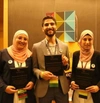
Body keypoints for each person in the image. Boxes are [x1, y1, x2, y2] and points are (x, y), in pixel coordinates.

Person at [32, 16, 70, 103]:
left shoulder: (65, 46)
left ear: (56, 27)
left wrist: (65, 64)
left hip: (61, 88)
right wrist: (41, 74)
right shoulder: (36, 47)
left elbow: (68, 67)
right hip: (44, 88)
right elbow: (34, 68)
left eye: (52, 24)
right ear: (42, 29)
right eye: (46, 25)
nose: (49, 26)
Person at [0, 30, 36, 103]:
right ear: (14, 39)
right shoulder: (3, 54)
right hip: (8, 95)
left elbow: (34, 73)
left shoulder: (30, 56)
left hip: (26, 95)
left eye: (25, 39)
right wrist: (4, 87)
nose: (22, 41)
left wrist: (32, 82)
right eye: (19, 38)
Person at [71, 30, 100, 103]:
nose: (87, 42)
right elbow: (73, 72)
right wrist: (72, 82)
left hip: (92, 95)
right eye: (85, 39)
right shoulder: (76, 55)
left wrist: (98, 87)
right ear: (80, 41)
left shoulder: (98, 56)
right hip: (78, 94)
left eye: (90, 39)